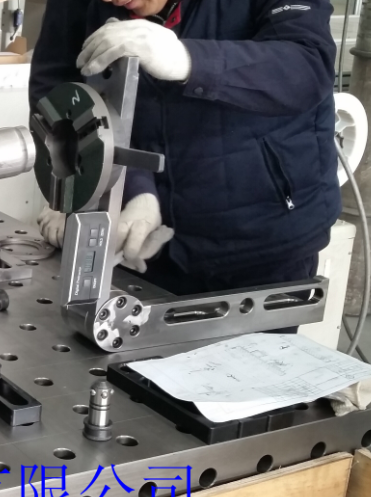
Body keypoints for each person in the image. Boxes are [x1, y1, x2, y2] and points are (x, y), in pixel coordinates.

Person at [30, 0, 341, 296]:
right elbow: (58, 89)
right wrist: (129, 185)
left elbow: (308, 65)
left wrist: (189, 60)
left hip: (264, 246)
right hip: (145, 248)